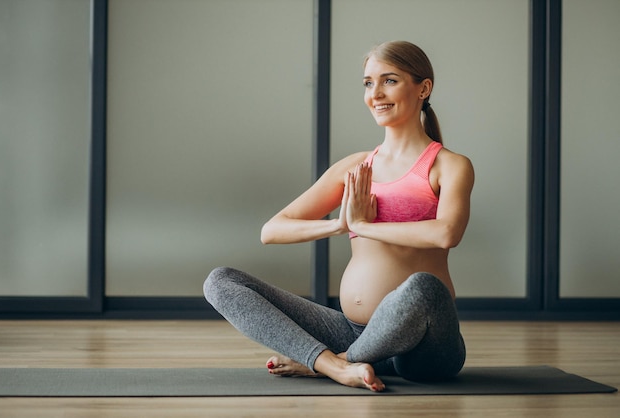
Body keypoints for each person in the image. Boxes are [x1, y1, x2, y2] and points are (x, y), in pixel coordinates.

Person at [203, 40, 474, 392]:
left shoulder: (449, 166)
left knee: (424, 286)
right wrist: (340, 224)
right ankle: (331, 362)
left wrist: (364, 226)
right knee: (221, 281)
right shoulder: (355, 166)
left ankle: (335, 361)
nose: (375, 93)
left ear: (423, 88)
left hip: (425, 345)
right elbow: (271, 230)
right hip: (353, 329)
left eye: (389, 80)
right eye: (367, 83)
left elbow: (446, 233)